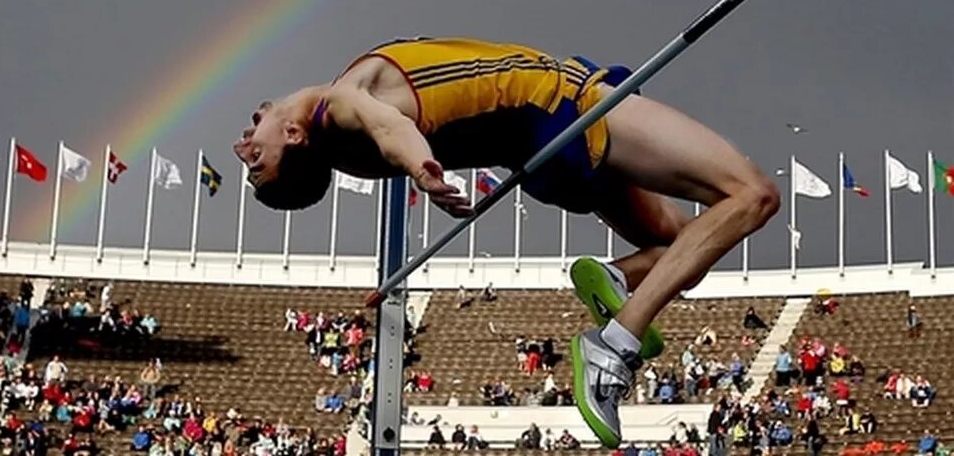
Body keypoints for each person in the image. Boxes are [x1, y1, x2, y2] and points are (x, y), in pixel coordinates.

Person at [232, 36, 780, 447]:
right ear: (295, 135)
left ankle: (619, 277)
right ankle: (615, 345)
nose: (243, 141)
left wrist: (415, 159)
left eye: (247, 154)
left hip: (542, 158)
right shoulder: (342, 103)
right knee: (751, 196)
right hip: (564, 108)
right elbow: (386, 125)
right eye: (256, 155)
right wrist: (422, 169)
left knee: (685, 250)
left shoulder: (343, 145)